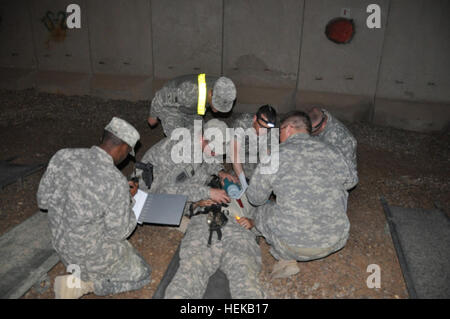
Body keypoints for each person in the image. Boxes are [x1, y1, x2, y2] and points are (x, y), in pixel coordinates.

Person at [37, 117, 151, 299]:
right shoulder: (114, 180)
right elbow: (119, 233)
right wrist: (129, 201)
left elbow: (42, 201)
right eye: (127, 152)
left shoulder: (62, 155)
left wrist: (121, 196)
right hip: (87, 257)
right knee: (142, 272)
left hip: (61, 246)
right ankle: (83, 285)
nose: (124, 158)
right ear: (123, 148)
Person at [239, 111, 358, 279]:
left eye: (280, 131)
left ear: (287, 129)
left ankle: (285, 259)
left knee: (259, 210)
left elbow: (255, 198)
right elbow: (351, 182)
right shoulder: (332, 150)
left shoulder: (275, 155)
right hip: (336, 240)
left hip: (293, 246)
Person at [164, 193, 264, 299]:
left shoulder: (251, 194)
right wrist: (197, 204)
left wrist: (253, 222)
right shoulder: (205, 186)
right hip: (205, 224)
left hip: (237, 228)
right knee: (191, 268)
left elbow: (266, 220)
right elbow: (174, 208)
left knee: (243, 270)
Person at [136, 119, 237, 220]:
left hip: (173, 175)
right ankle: (190, 207)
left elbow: (207, 158)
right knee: (183, 204)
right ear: (202, 139)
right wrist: (208, 192)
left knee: (202, 178)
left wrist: (220, 172)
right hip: (150, 188)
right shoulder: (184, 152)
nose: (216, 154)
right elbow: (171, 188)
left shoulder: (200, 135)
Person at [147, 74, 236, 137]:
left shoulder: (222, 86)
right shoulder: (190, 91)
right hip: (172, 107)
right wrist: (153, 116)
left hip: (191, 108)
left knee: (200, 134)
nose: (216, 111)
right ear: (210, 94)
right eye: (217, 106)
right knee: (178, 139)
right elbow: (161, 95)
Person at [230, 104, 278, 180]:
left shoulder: (271, 131)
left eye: (267, 129)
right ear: (255, 119)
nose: (264, 131)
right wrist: (243, 180)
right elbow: (234, 153)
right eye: (262, 127)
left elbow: (268, 156)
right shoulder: (242, 124)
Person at [307, 107, 358, 176]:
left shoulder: (342, 139)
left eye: (311, 132)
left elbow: (345, 171)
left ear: (323, 125)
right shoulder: (319, 119)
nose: (308, 134)